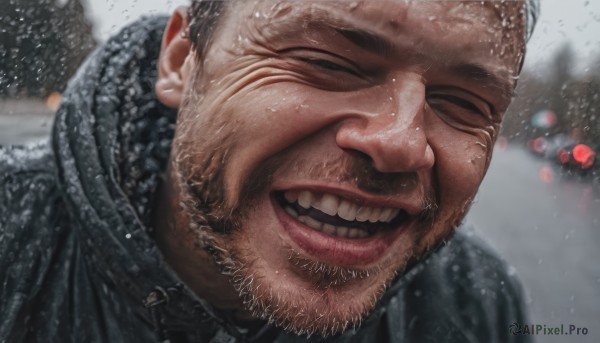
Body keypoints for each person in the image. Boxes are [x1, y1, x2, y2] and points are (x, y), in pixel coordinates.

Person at [0, 1, 539, 342]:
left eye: (465, 103)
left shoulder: (476, 305)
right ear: (183, 60)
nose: (401, 143)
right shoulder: (13, 241)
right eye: (326, 63)